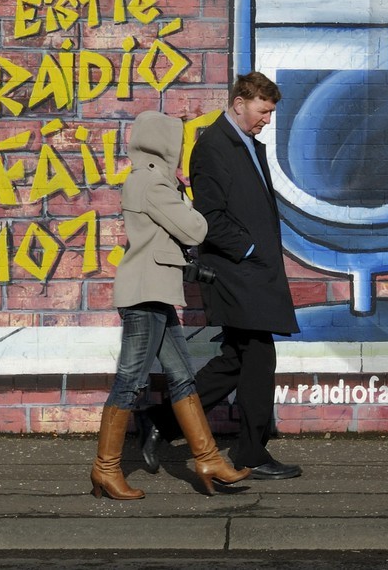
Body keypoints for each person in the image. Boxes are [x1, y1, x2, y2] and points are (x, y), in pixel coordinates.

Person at [138, 73, 301, 480]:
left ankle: (162, 420)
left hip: (252, 270)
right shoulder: (213, 145)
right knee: (259, 358)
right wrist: (248, 249)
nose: (266, 120)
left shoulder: (244, 143)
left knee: (236, 360)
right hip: (238, 270)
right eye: (263, 111)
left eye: (270, 113)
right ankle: (251, 452)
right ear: (240, 101)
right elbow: (209, 215)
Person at [91, 111, 250, 500]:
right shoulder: (152, 182)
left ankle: (208, 460)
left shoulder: (147, 178)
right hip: (145, 295)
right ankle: (105, 469)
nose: (181, 151)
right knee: (130, 381)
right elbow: (196, 229)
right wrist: (183, 195)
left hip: (155, 294)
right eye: (178, 143)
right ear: (166, 144)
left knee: (182, 377)